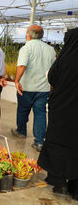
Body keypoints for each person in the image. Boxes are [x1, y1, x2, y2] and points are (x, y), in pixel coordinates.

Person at [37, 27, 78, 199]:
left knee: (58, 142)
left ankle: (59, 182)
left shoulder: (65, 57)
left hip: (62, 110)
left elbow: (52, 77)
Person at [11, 25, 56, 152]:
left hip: (26, 87)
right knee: (40, 113)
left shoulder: (26, 48)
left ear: (29, 35)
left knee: (22, 110)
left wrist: (16, 80)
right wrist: (51, 84)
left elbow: (22, 66)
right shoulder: (50, 50)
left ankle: (21, 131)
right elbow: (54, 69)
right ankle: (39, 142)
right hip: (43, 88)